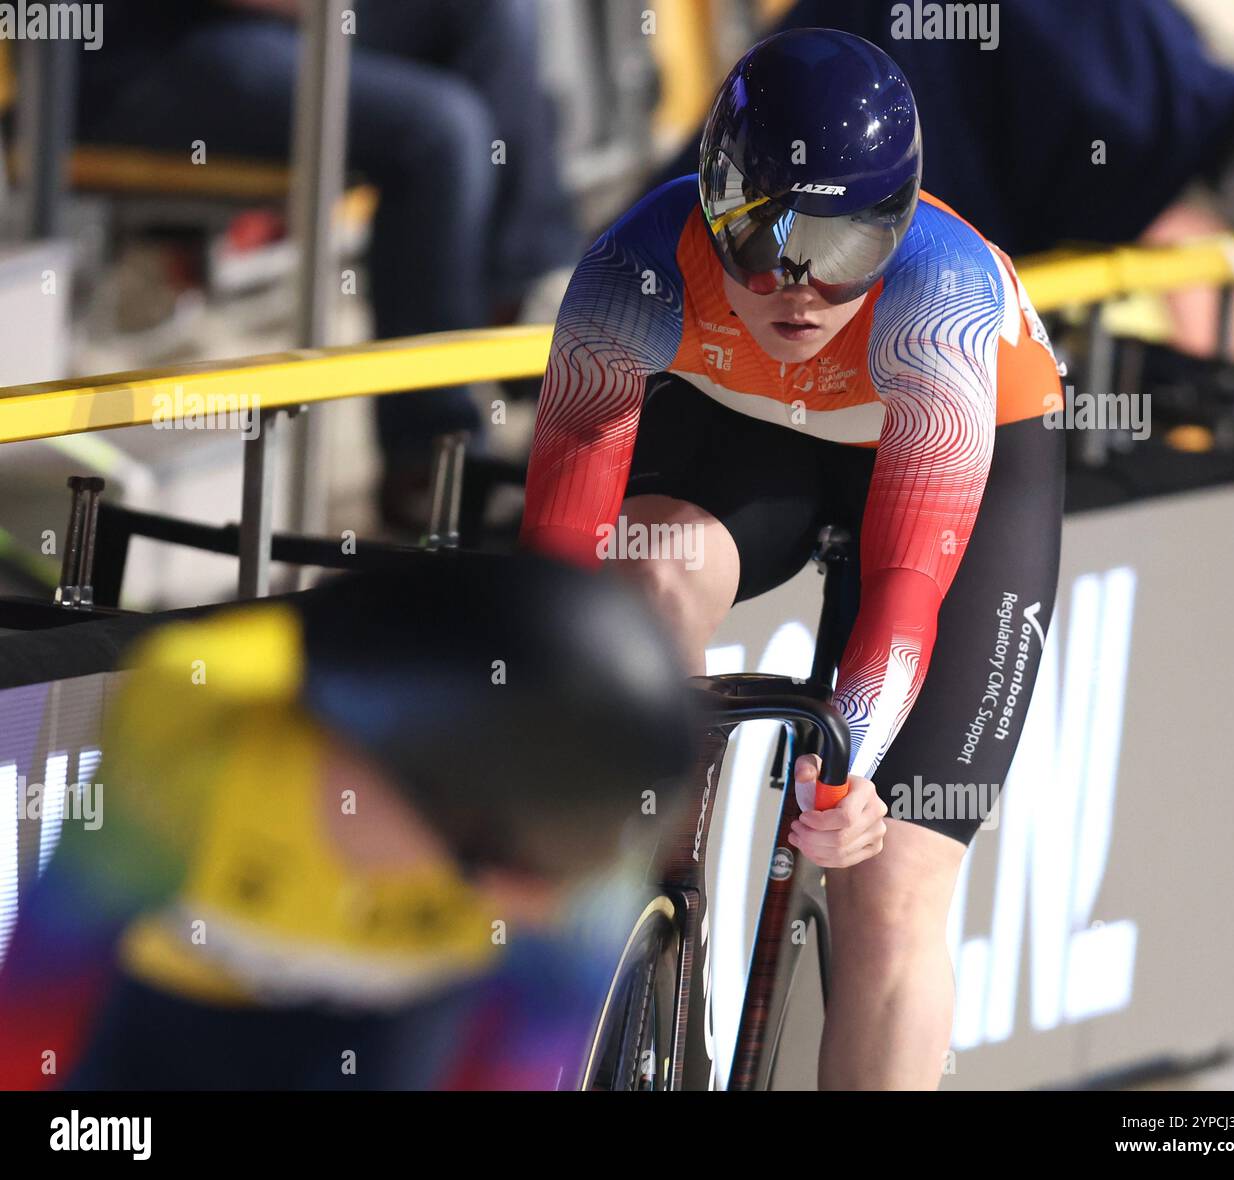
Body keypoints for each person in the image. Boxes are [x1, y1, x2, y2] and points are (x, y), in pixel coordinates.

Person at [520, 30, 1066, 1090]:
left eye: (847, 245)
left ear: (899, 231)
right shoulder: (632, 264)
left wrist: (846, 765)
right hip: (751, 434)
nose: (799, 283)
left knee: (893, 880)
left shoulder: (940, 299)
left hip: (947, 469)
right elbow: (560, 549)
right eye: (761, 232)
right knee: (647, 578)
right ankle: (642, 871)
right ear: (709, 199)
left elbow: (908, 580)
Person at [0, 553, 695, 1090]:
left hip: (392, 1021)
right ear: (359, 758)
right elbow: (48, 978)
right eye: (475, 871)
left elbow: (522, 1051)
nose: (515, 907)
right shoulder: (205, 716)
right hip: (173, 1005)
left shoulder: (581, 847)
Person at [76, 1, 579, 529]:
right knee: (442, 131)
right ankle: (432, 463)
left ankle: (524, 294)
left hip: (265, 25)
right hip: (137, 52)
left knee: (494, 12)